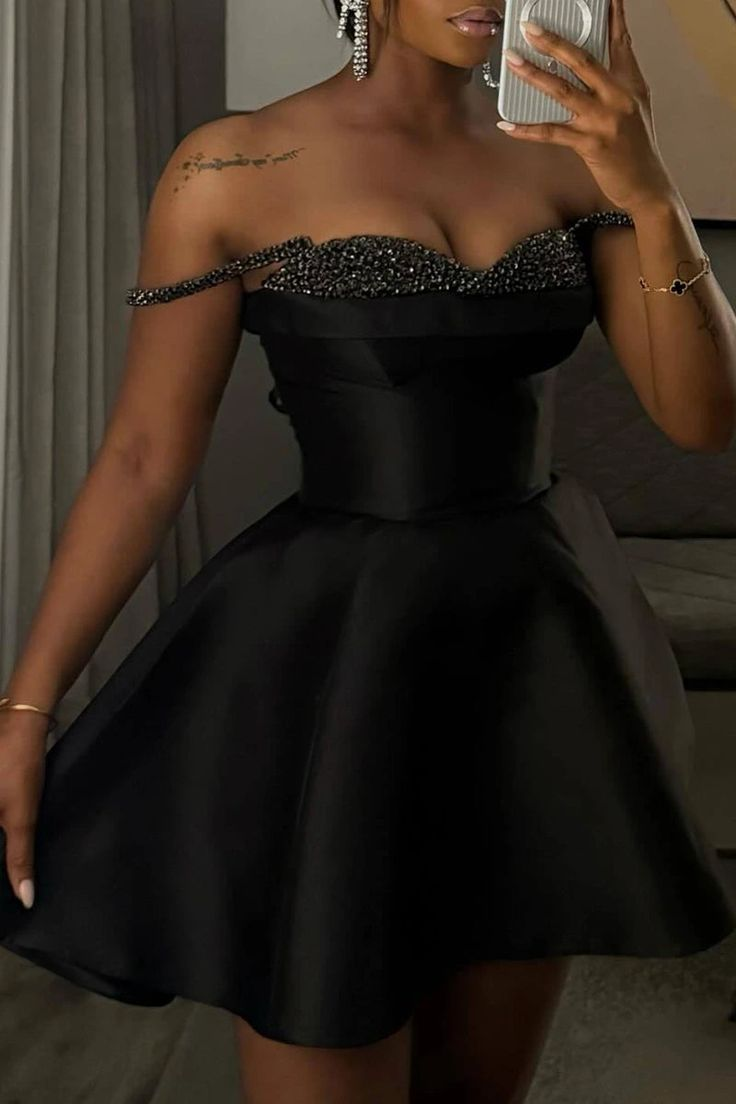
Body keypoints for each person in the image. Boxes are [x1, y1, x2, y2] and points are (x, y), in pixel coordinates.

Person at [1, 1, 735, 1101]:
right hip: (335, 666)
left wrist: (651, 189)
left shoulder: (577, 158)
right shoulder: (230, 167)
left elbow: (701, 419)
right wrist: (27, 706)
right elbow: (144, 458)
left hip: (535, 663)